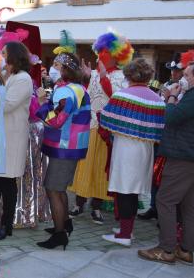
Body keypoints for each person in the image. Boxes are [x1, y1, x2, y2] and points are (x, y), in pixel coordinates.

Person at [98, 59, 165, 246]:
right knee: (133, 191)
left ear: (129, 75)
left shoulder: (123, 96)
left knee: (125, 190)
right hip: (146, 150)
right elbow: (161, 128)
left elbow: (106, 118)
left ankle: (125, 235)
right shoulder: (158, 100)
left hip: (126, 149)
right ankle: (127, 230)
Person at [69, 31, 133, 224]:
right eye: (100, 53)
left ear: (117, 55)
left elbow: (117, 98)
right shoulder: (95, 73)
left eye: (105, 53)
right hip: (89, 126)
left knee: (100, 168)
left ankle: (96, 208)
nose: (101, 57)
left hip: (106, 130)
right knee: (84, 166)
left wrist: (104, 79)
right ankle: (79, 203)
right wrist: (88, 78)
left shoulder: (122, 77)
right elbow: (88, 95)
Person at [139, 50, 194, 265]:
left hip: (183, 155)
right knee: (188, 205)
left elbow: (170, 117)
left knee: (165, 200)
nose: (184, 78)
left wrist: (170, 97)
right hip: (188, 155)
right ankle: (186, 249)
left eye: (188, 76)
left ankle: (167, 249)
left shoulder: (192, 96)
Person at [35, 51, 91, 250]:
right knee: (58, 188)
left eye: (57, 66)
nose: (53, 69)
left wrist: (42, 102)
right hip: (71, 145)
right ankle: (64, 224)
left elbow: (57, 120)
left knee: (53, 188)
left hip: (65, 146)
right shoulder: (75, 88)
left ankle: (60, 234)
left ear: (66, 70)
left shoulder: (66, 91)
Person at [0, 42, 33, 240]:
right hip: (3, 136)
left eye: (4, 53)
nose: (1, 56)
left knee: (6, 184)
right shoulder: (12, 77)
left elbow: (7, 106)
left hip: (12, 138)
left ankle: (6, 225)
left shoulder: (23, 79)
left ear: (13, 57)